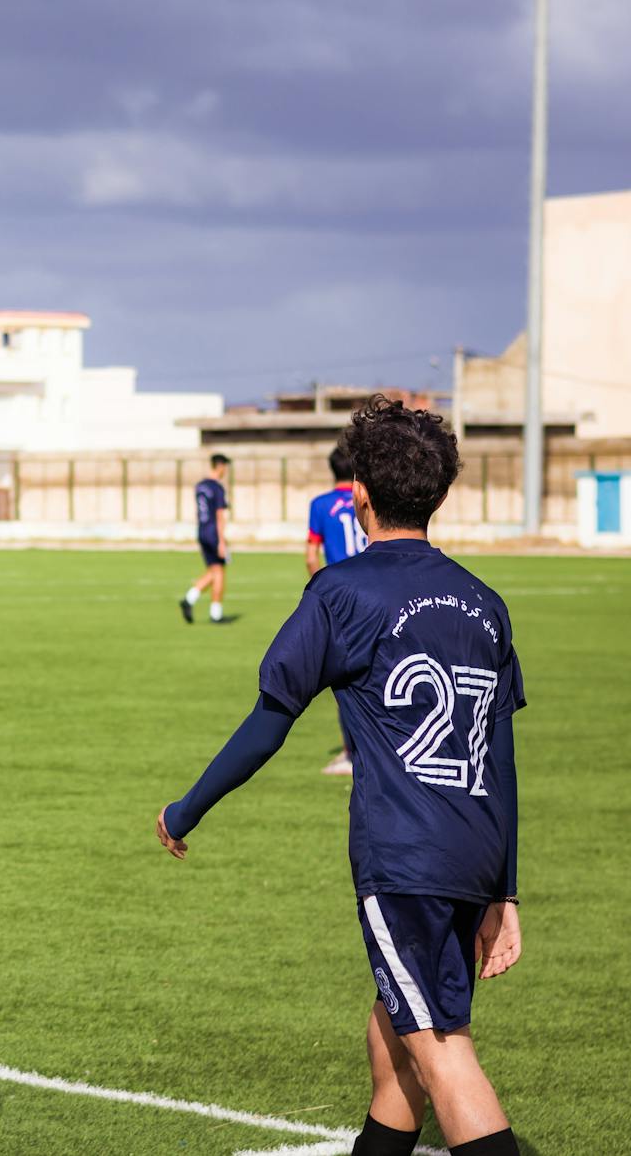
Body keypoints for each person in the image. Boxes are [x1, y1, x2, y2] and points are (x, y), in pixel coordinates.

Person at [155, 396, 523, 1156]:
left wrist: (185, 808)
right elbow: (498, 755)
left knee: (441, 1052)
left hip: (405, 859)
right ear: (441, 492)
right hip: (473, 852)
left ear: (358, 492)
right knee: (394, 1052)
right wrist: (505, 889)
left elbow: (269, 720)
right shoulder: (487, 605)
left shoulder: (342, 590)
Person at [309, 444, 371, 777]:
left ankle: (352, 753)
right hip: (376, 591)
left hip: (341, 598)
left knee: (344, 678)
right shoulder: (368, 498)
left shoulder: (319, 504)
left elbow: (310, 556)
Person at [179, 454, 231, 624]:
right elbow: (219, 515)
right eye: (225, 467)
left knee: (214, 570)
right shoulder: (217, 488)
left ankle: (189, 598)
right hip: (213, 532)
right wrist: (222, 541)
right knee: (219, 572)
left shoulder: (200, 486)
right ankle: (216, 614)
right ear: (220, 466)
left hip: (201, 531)